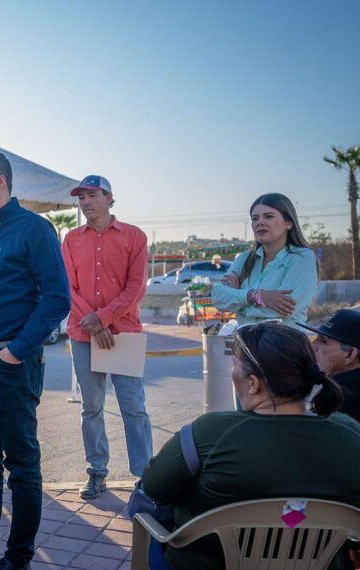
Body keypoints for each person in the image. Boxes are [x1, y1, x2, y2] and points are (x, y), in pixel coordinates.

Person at [143, 322, 360, 570]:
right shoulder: (350, 434)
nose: (233, 373)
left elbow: (153, 487)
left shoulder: (209, 433)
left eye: (235, 365)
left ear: (253, 383)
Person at [0, 151, 70, 569]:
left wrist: (15, 351)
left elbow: (57, 298)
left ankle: (18, 557)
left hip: (11, 362)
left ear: (0, 182)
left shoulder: (35, 230)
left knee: (21, 463)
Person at [61, 175, 153, 500]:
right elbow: (67, 289)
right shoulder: (71, 239)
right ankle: (97, 472)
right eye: (81, 197)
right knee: (91, 407)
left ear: (109, 197)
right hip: (84, 336)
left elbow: (135, 288)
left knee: (134, 408)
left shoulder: (134, 237)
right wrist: (94, 325)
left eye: (92, 195)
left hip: (124, 334)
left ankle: (145, 477)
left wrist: (101, 319)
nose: (85, 202)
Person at [211, 193, 318, 328]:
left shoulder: (302, 258)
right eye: (255, 218)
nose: (260, 222)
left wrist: (237, 300)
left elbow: (284, 310)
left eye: (268, 216)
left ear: (289, 223)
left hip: (284, 344)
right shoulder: (244, 259)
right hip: (245, 343)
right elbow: (218, 297)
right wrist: (254, 296)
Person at [301, 309, 360, 423]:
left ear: (350, 354)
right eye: (316, 338)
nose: (313, 346)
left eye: (323, 341)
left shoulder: (342, 398)